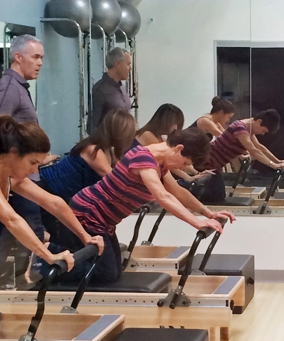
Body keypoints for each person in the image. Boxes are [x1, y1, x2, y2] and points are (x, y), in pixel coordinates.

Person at [58, 128, 235, 285]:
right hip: (88, 213)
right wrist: (197, 222)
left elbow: (177, 192)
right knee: (107, 274)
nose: (184, 167)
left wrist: (208, 212)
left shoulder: (161, 163)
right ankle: (47, 267)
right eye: (185, 163)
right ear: (178, 148)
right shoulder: (143, 158)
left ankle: (58, 258)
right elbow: (163, 196)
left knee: (116, 271)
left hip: (104, 220)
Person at [0, 115, 104, 279]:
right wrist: (48, 255)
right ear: (13, 153)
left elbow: (53, 202)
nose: (35, 171)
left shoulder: (10, 177)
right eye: (32, 162)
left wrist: (86, 237)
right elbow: (12, 219)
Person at [0, 34, 57, 267]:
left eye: (41, 58)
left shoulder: (20, 87)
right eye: (35, 57)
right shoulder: (9, 88)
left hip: (22, 176)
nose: (40, 63)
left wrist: (37, 160)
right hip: (16, 179)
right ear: (17, 57)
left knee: (26, 237)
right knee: (26, 238)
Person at [38, 109, 136, 241]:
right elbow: (117, 180)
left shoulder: (109, 151)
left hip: (64, 196)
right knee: (63, 239)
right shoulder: (93, 150)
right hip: (48, 188)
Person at [195, 109, 284, 203]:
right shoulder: (240, 128)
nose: (262, 134)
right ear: (259, 121)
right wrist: (273, 165)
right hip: (206, 162)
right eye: (263, 130)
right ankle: (190, 195)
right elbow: (253, 150)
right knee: (217, 195)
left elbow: (259, 147)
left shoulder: (248, 128)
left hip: (215, 166)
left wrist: (278, 161)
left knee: (218, 194)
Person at [132, 103, 209, 182]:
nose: (175, 128)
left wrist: (196, 173)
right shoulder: (148, 135)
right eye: (174, 123)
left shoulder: (160, 137)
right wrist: (188, 178)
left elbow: (180, 161)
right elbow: (170, 164)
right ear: (164, 121)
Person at [88, 47, 132, 133]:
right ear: (117, 65)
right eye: (128, 64)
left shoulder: (122, 88)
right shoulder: (100, 90)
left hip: (125, 143)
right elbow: (92, 126)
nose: (130, 68)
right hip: (108, 144)